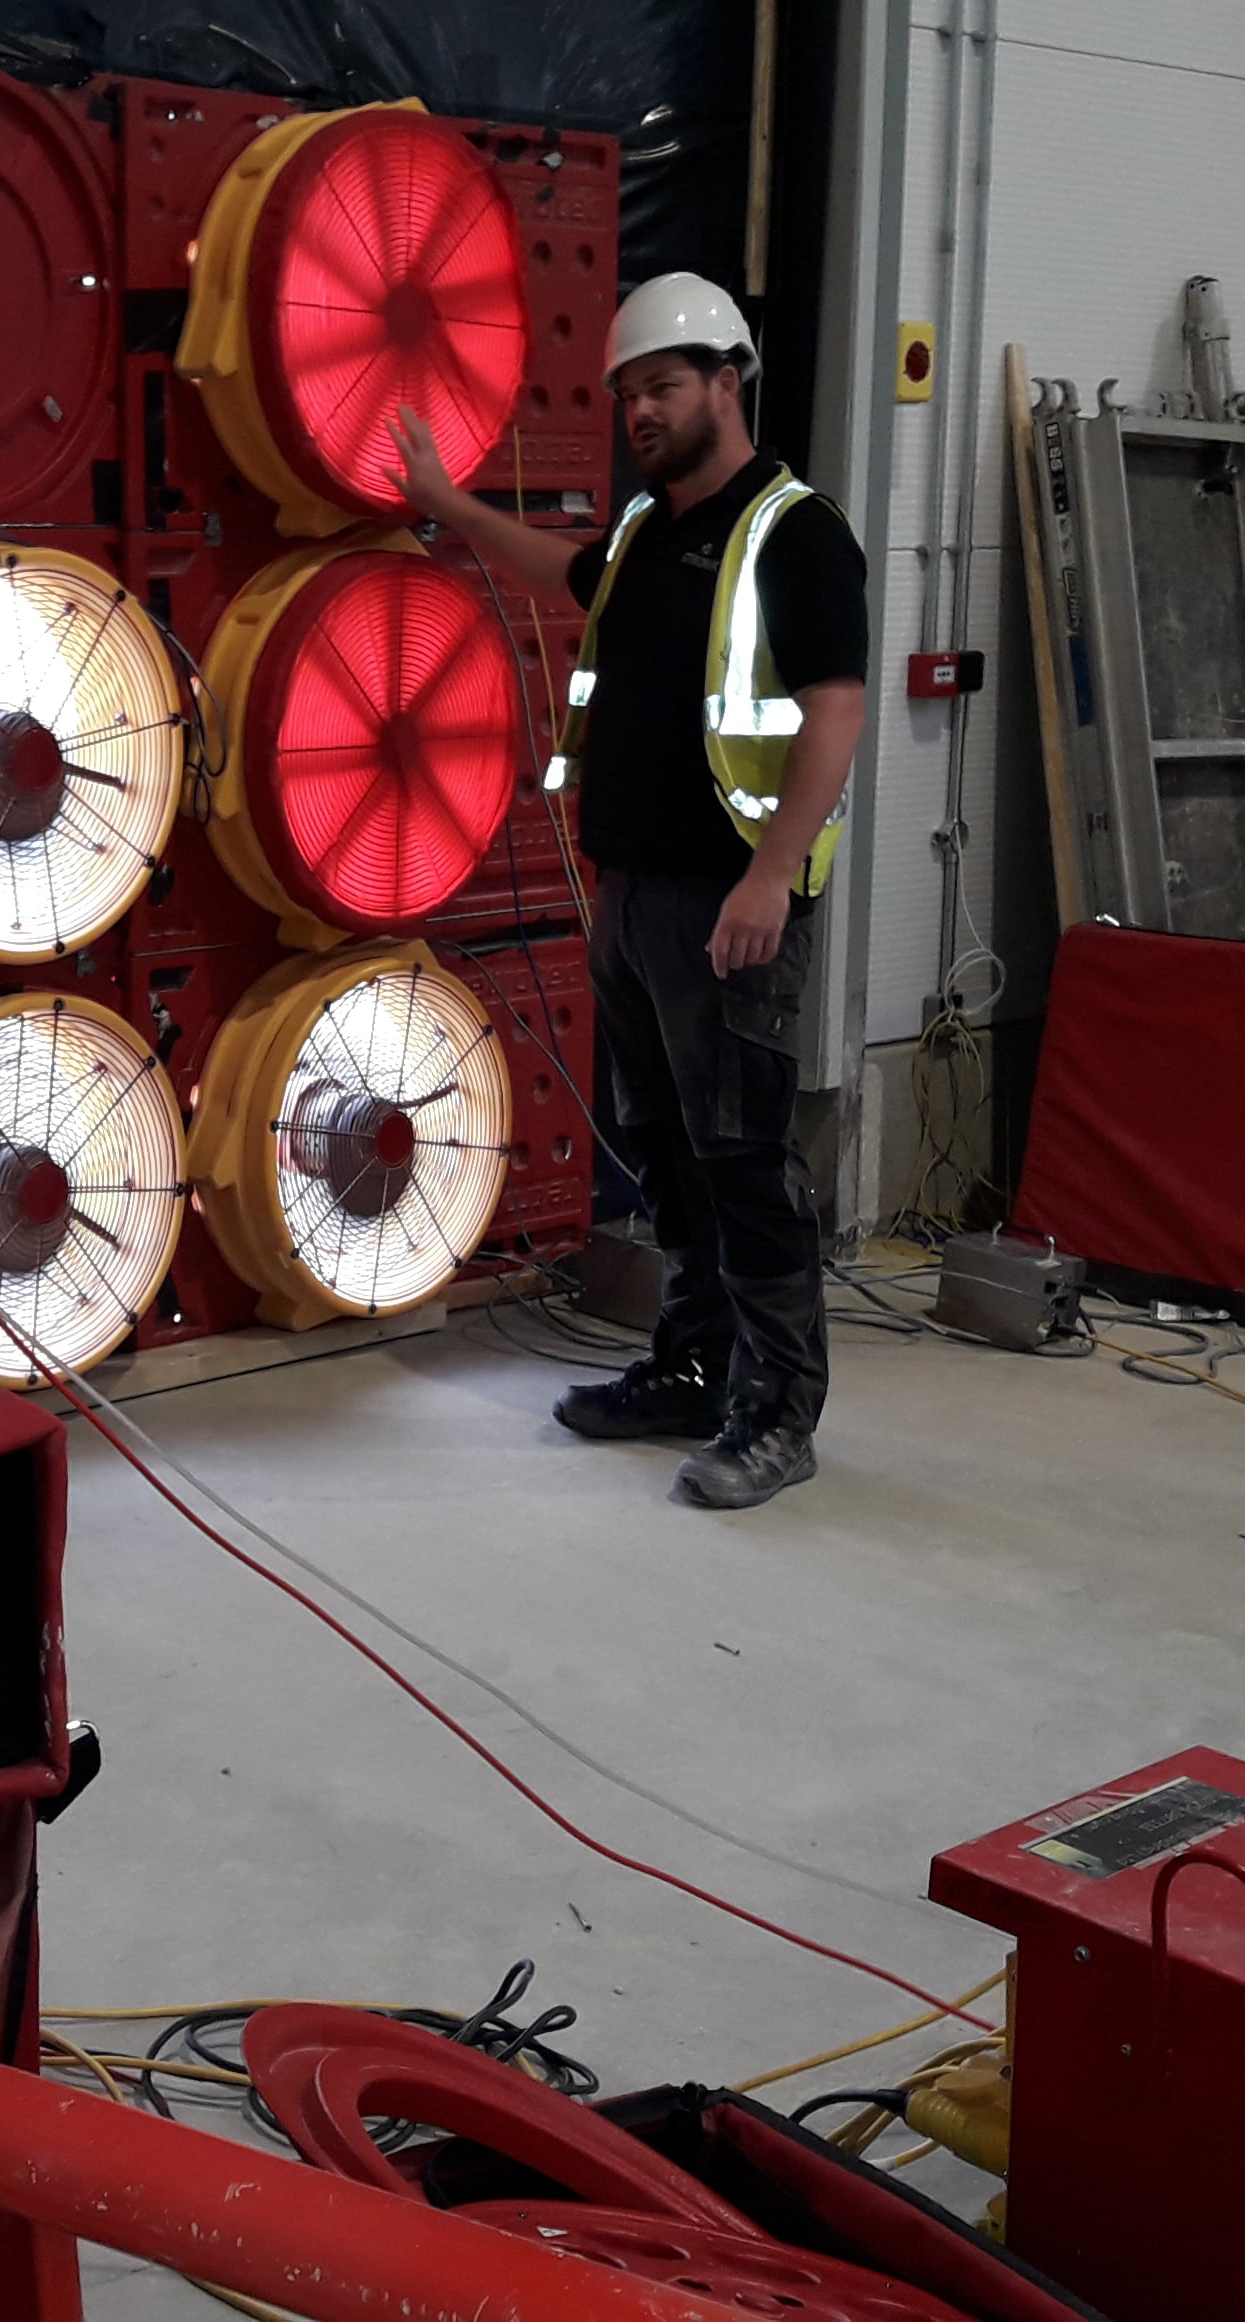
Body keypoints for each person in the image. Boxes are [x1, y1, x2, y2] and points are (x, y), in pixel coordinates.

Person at [394, 273, 869, 1511]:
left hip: (731, 908)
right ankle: (697, 1367)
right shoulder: (650, 536)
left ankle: (778, 1412)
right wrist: (447, 507)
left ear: (728, 381)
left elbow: (836, 713)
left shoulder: (794, 534)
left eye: (662, 386)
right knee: (666, 1152)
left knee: (744, 1159)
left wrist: (770, 875)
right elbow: (568, 571)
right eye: (626, 395)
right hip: (635, 898)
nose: (640, 412)